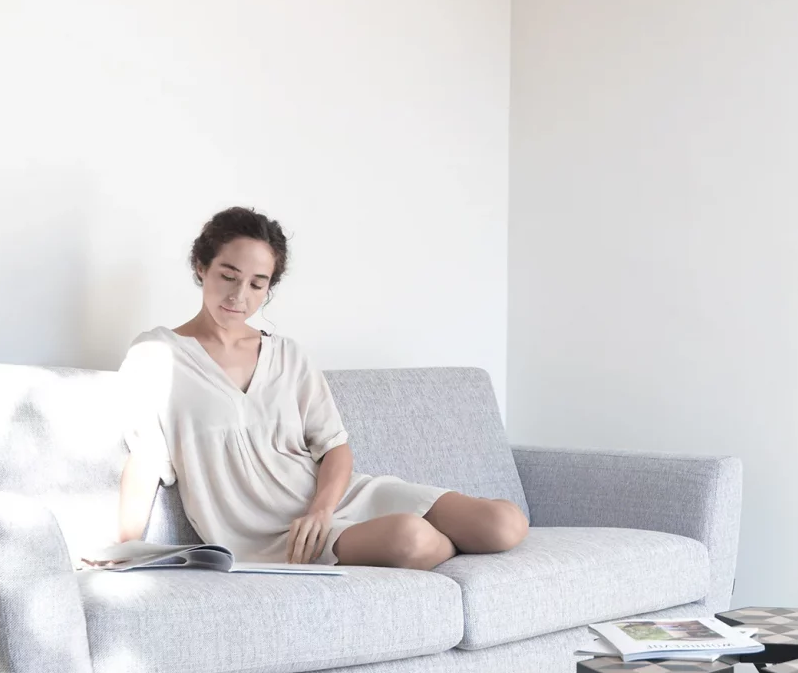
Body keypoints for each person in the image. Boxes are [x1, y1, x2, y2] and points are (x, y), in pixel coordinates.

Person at [117, 206, 526, 569]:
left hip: (333, 501)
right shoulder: (157, 354)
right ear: (201, 266)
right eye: (228, 275)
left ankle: (439, 544)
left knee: (503, 524)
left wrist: (321, 510)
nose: (240, 296)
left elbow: (334, 446)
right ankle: (432, 549)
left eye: (258, 284)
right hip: (273, 535)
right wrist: (125, 547)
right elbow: (146, 459)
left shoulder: (289, 356)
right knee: (412, 538)